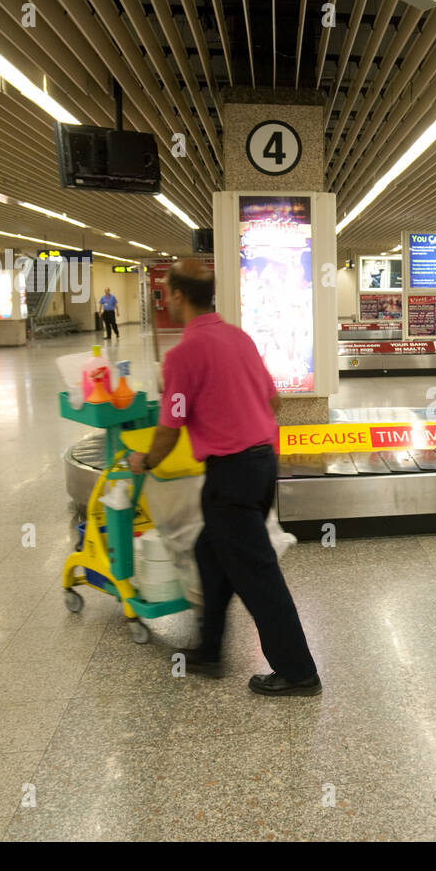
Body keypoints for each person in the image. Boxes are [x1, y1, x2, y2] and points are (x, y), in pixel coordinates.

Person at [128, 259, 321, 696]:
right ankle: (209, 649)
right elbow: (271, 402)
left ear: (177, 296)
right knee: (210, 551)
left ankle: (298, 671)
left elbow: (170, 424)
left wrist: (147, 461)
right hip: (261, 464)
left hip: (230, 474)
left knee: (257, 574)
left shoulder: (184, 354)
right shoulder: (239, 338)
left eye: (167, 293)